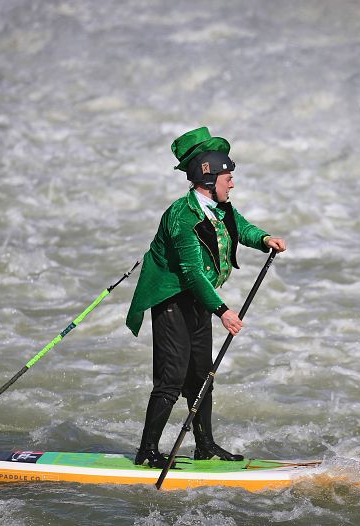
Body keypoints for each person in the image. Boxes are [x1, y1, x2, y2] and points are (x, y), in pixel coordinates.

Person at [126, 127, 287, 468]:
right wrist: (223, 310)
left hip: (199, 299)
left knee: (201, 375)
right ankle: (148, 451)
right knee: (172, 377)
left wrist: (265, 239)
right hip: (172, 300)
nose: (233, 183)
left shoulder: (220, 207)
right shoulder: (183, 215)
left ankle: (205, 446)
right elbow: (191, 272)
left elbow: (241, 227)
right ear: (208, 178)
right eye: (228, 177)